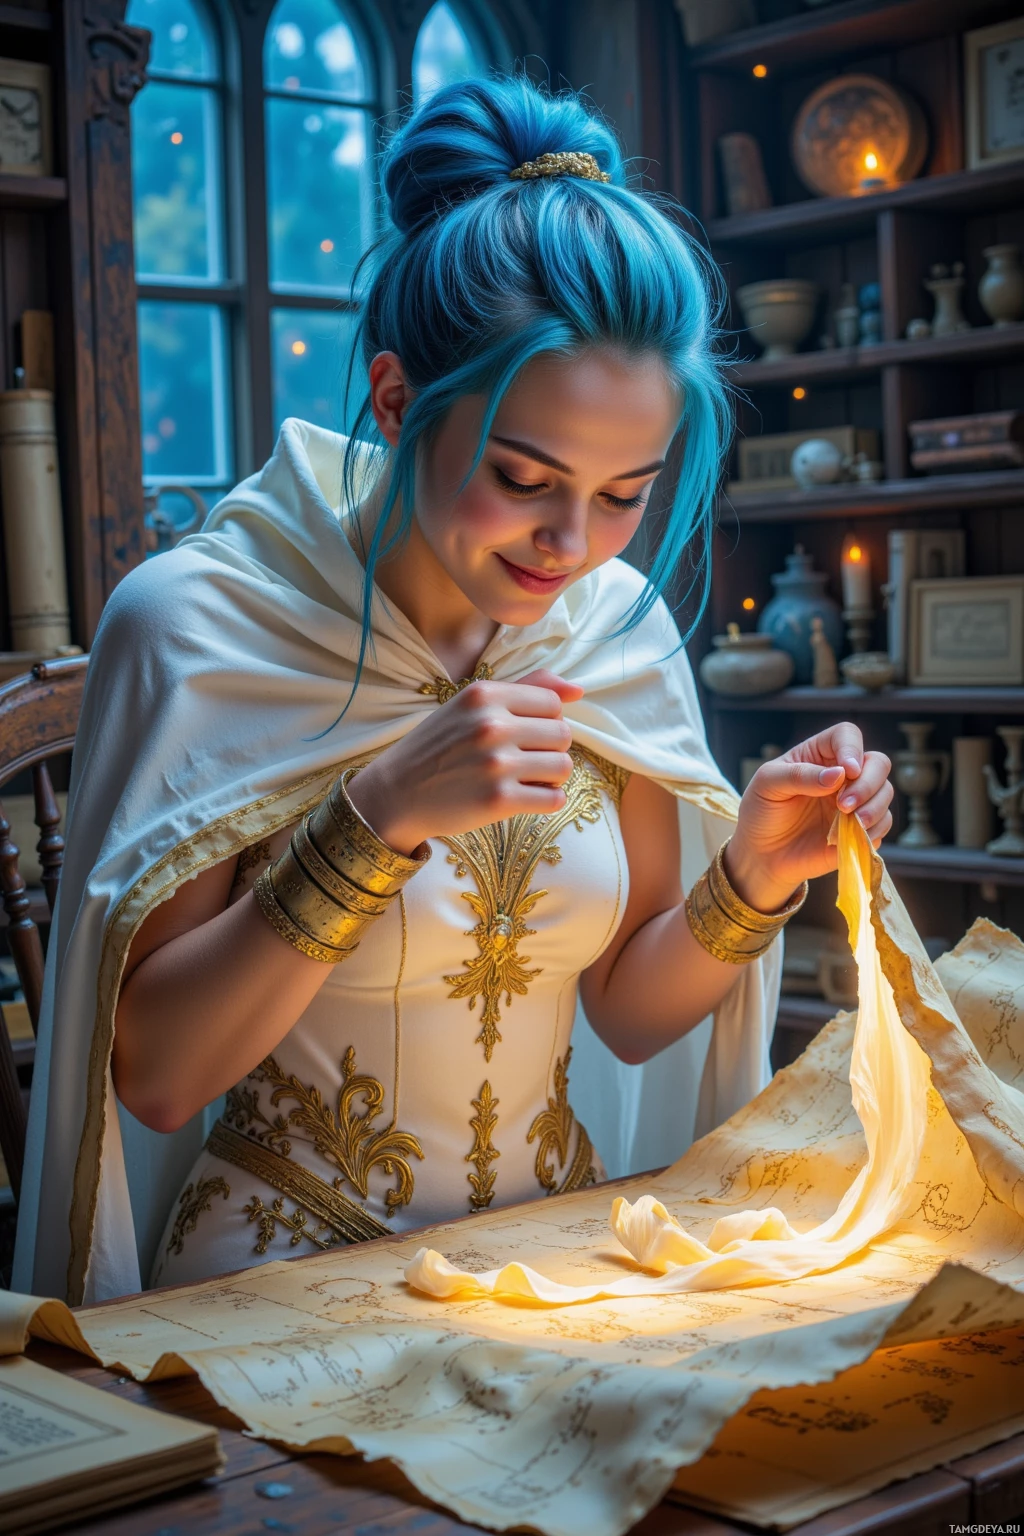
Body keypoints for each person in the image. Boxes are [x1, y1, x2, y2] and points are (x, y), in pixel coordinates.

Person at [14, 76, 892, 1305]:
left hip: (546, 1274)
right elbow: (157, 1077)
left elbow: (630, 1016)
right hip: (274, 1281)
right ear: (392, 402)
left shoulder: (614, 637)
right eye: (523, 476)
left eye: (625, 494)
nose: (569, 544)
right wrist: (377, 815)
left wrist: (753, 873)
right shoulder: (202, 623)